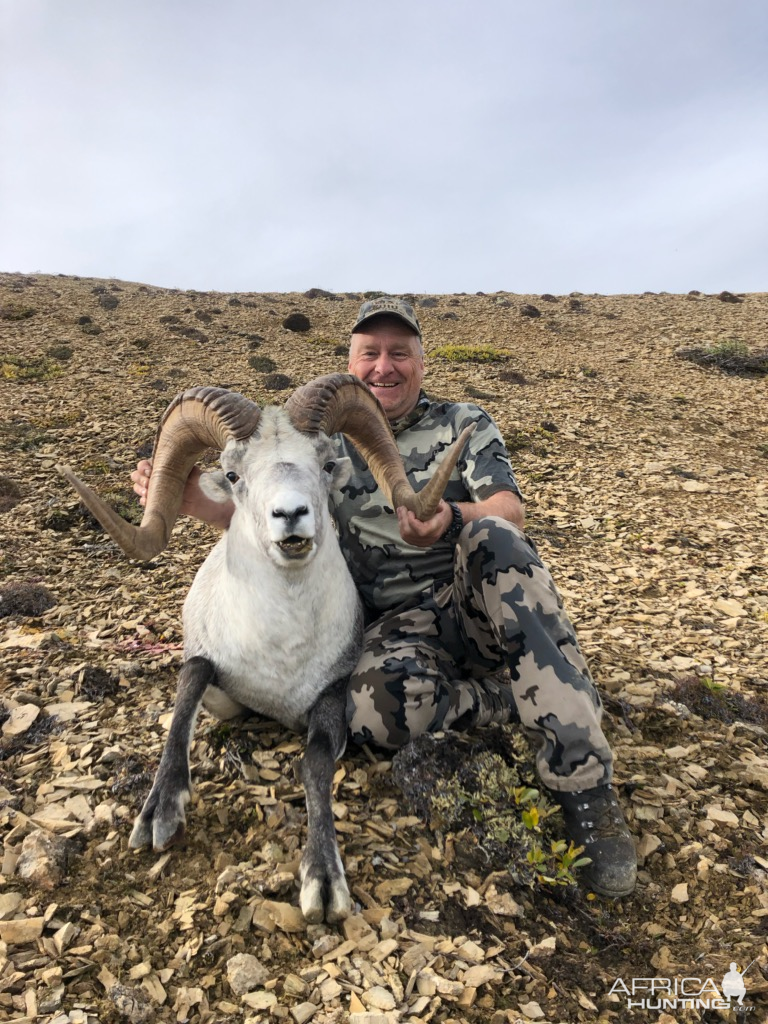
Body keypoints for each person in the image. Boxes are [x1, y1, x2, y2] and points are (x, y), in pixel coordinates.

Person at [131, 296, 637, 897]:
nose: (384, 367)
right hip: (388, 630)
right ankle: (502, 697)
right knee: (370, 715)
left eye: (400, 352)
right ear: (352, 361)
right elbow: (280, 517)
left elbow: (509, 510)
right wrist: (191, 504)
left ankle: (584, 783)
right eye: (369, 353)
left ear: (421, 361)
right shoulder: (321, 445)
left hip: (467, 601)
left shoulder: (462, 423)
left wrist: (448, 517)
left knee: (493, 536)